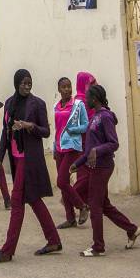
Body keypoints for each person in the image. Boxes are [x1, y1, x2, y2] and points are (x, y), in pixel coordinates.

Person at [0, 70, 61, 263]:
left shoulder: (38, 104)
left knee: (17, 202)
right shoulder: (10, 103)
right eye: (24, 83)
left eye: (30, 83)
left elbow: (45, 131)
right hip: (15, 157)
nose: (27, 86)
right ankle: (53, 240)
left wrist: (29, 126)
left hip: (30, 159)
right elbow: (5, 132)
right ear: (17, 83)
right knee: (34, 200)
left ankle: (7, 251)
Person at [70, 84, 140, 256]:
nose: (85, 100)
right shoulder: (95, 117)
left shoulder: (106, 117)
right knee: (104, 205)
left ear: (94, 99)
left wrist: (97, 151)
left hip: (103, 167)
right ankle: (131, 229)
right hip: (94, 167)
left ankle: (98, 247)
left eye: (87, 97)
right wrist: (77, 164)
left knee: (95, 206)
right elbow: (89, 149)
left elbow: (113, 143)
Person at [53, 76, 90, 229]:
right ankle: (70, 218)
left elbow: (86, 125)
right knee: (64, 184)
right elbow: (57, 129)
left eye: (69, 86)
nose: (67, 89)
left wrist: (73, 129)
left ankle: (82, 207)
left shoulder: (77, 105)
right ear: (59, 89)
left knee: (61, 181)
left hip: (72, 147)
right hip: (60, 148)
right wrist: (55, 147)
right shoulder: (56, 106)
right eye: (64, 87)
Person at [70, 72, 97, 209]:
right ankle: (71, 197)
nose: (92, 86)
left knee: (86, 173)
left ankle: (82, 202)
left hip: (89, 140)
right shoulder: (80, 101)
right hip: (82, 141)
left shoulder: (86, 99)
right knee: (85, 174)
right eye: (90, 84)